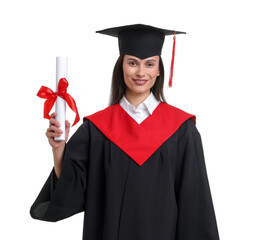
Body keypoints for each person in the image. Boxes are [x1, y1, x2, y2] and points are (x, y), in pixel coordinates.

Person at [30, 24, 220, 240]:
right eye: (132, 63)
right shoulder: (96, 129)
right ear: (121, 67)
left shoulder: (182, 129)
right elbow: (71, 193)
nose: (141, 72)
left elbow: (195, 206)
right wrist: (59, 149)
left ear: (159, 70)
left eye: (149, 64)